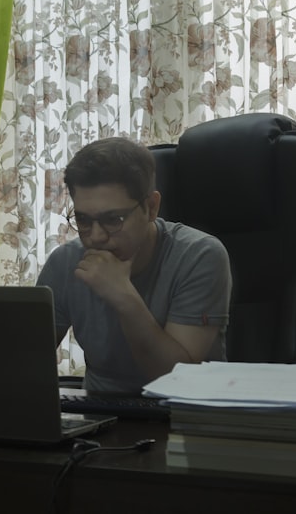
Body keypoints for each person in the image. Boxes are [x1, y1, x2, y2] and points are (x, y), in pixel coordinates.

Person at [37, 137, 231, 393]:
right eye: (83, 220)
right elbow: (22, 362)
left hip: (185, 417)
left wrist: (122, 296)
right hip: (99, 414)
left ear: (151, 208)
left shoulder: (200, 256)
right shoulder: (65, 262)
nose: (95, 237)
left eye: (113, 219)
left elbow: (179, 381)